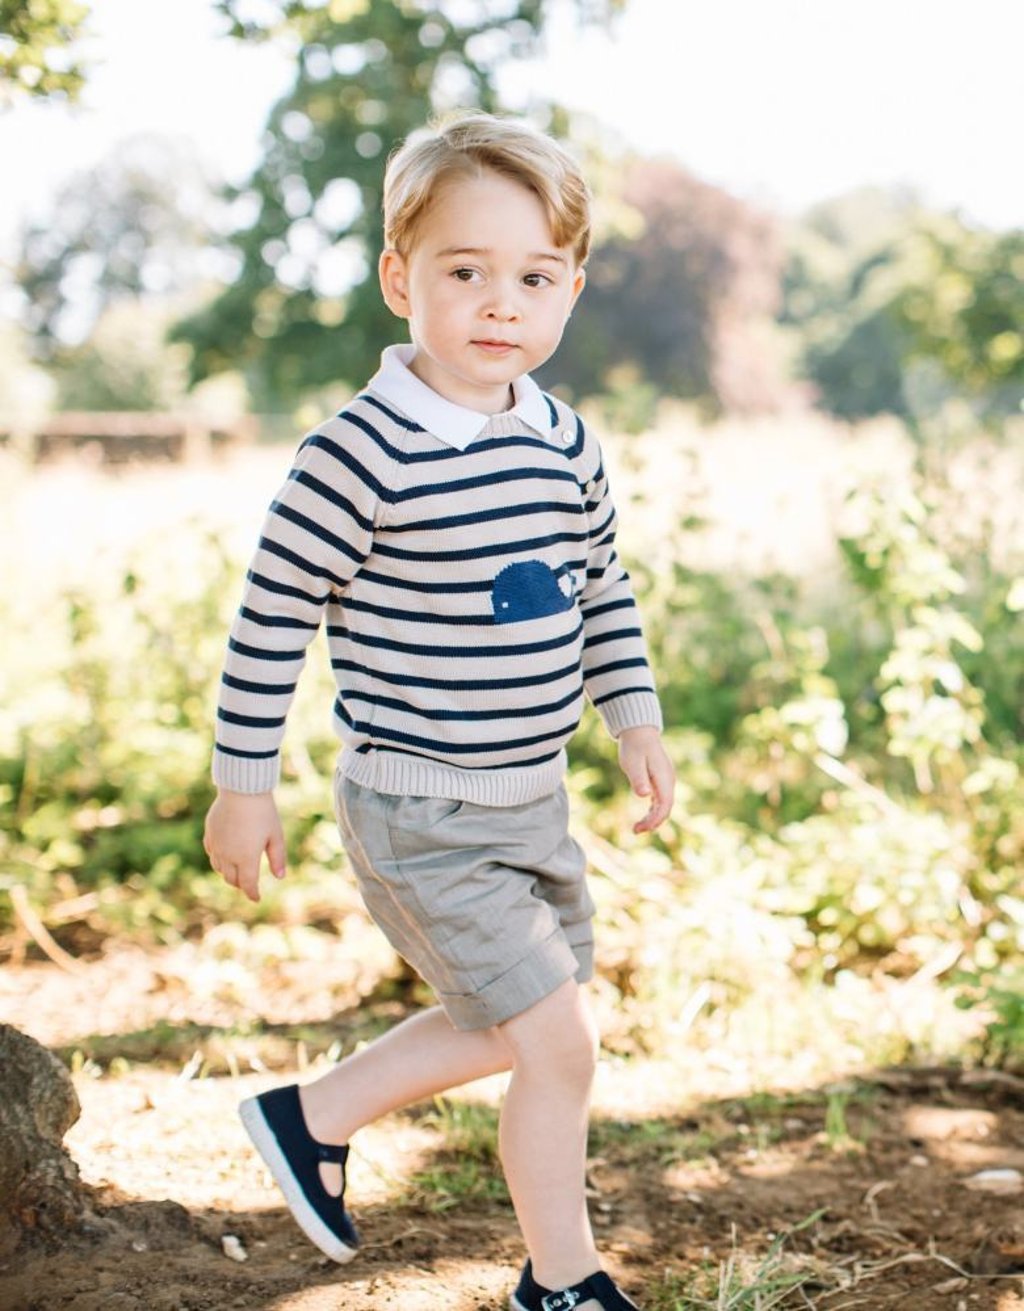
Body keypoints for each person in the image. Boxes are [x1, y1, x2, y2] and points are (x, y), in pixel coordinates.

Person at [203, 111, 675, 1311]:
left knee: (519, 1029)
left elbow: (602, 589)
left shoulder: (564, 445)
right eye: (466, 273)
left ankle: (309, 1116)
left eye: (533, 276)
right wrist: (241, 781)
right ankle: (562, 1284)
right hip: (419, 803)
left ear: (569, 287)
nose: (499, 305)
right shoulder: (357, 452)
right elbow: (272, 616)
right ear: (400, 278)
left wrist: (634, 718)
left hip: (533, 803)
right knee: (558, 1042)